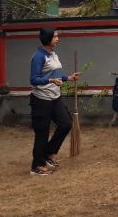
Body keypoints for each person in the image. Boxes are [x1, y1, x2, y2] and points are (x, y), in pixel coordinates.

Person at [29, 27, 80, 176]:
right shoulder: (38, 56)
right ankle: (37, 165)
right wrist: (50, 80)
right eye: (55, 37)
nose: (58, 39)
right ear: (47, 39)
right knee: (42, 133)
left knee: (66, 124)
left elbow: (56, 73)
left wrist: (68, 78)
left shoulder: (53, 54)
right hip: (41, 99)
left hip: (55, 97)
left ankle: (49, 153)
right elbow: (34, 79)